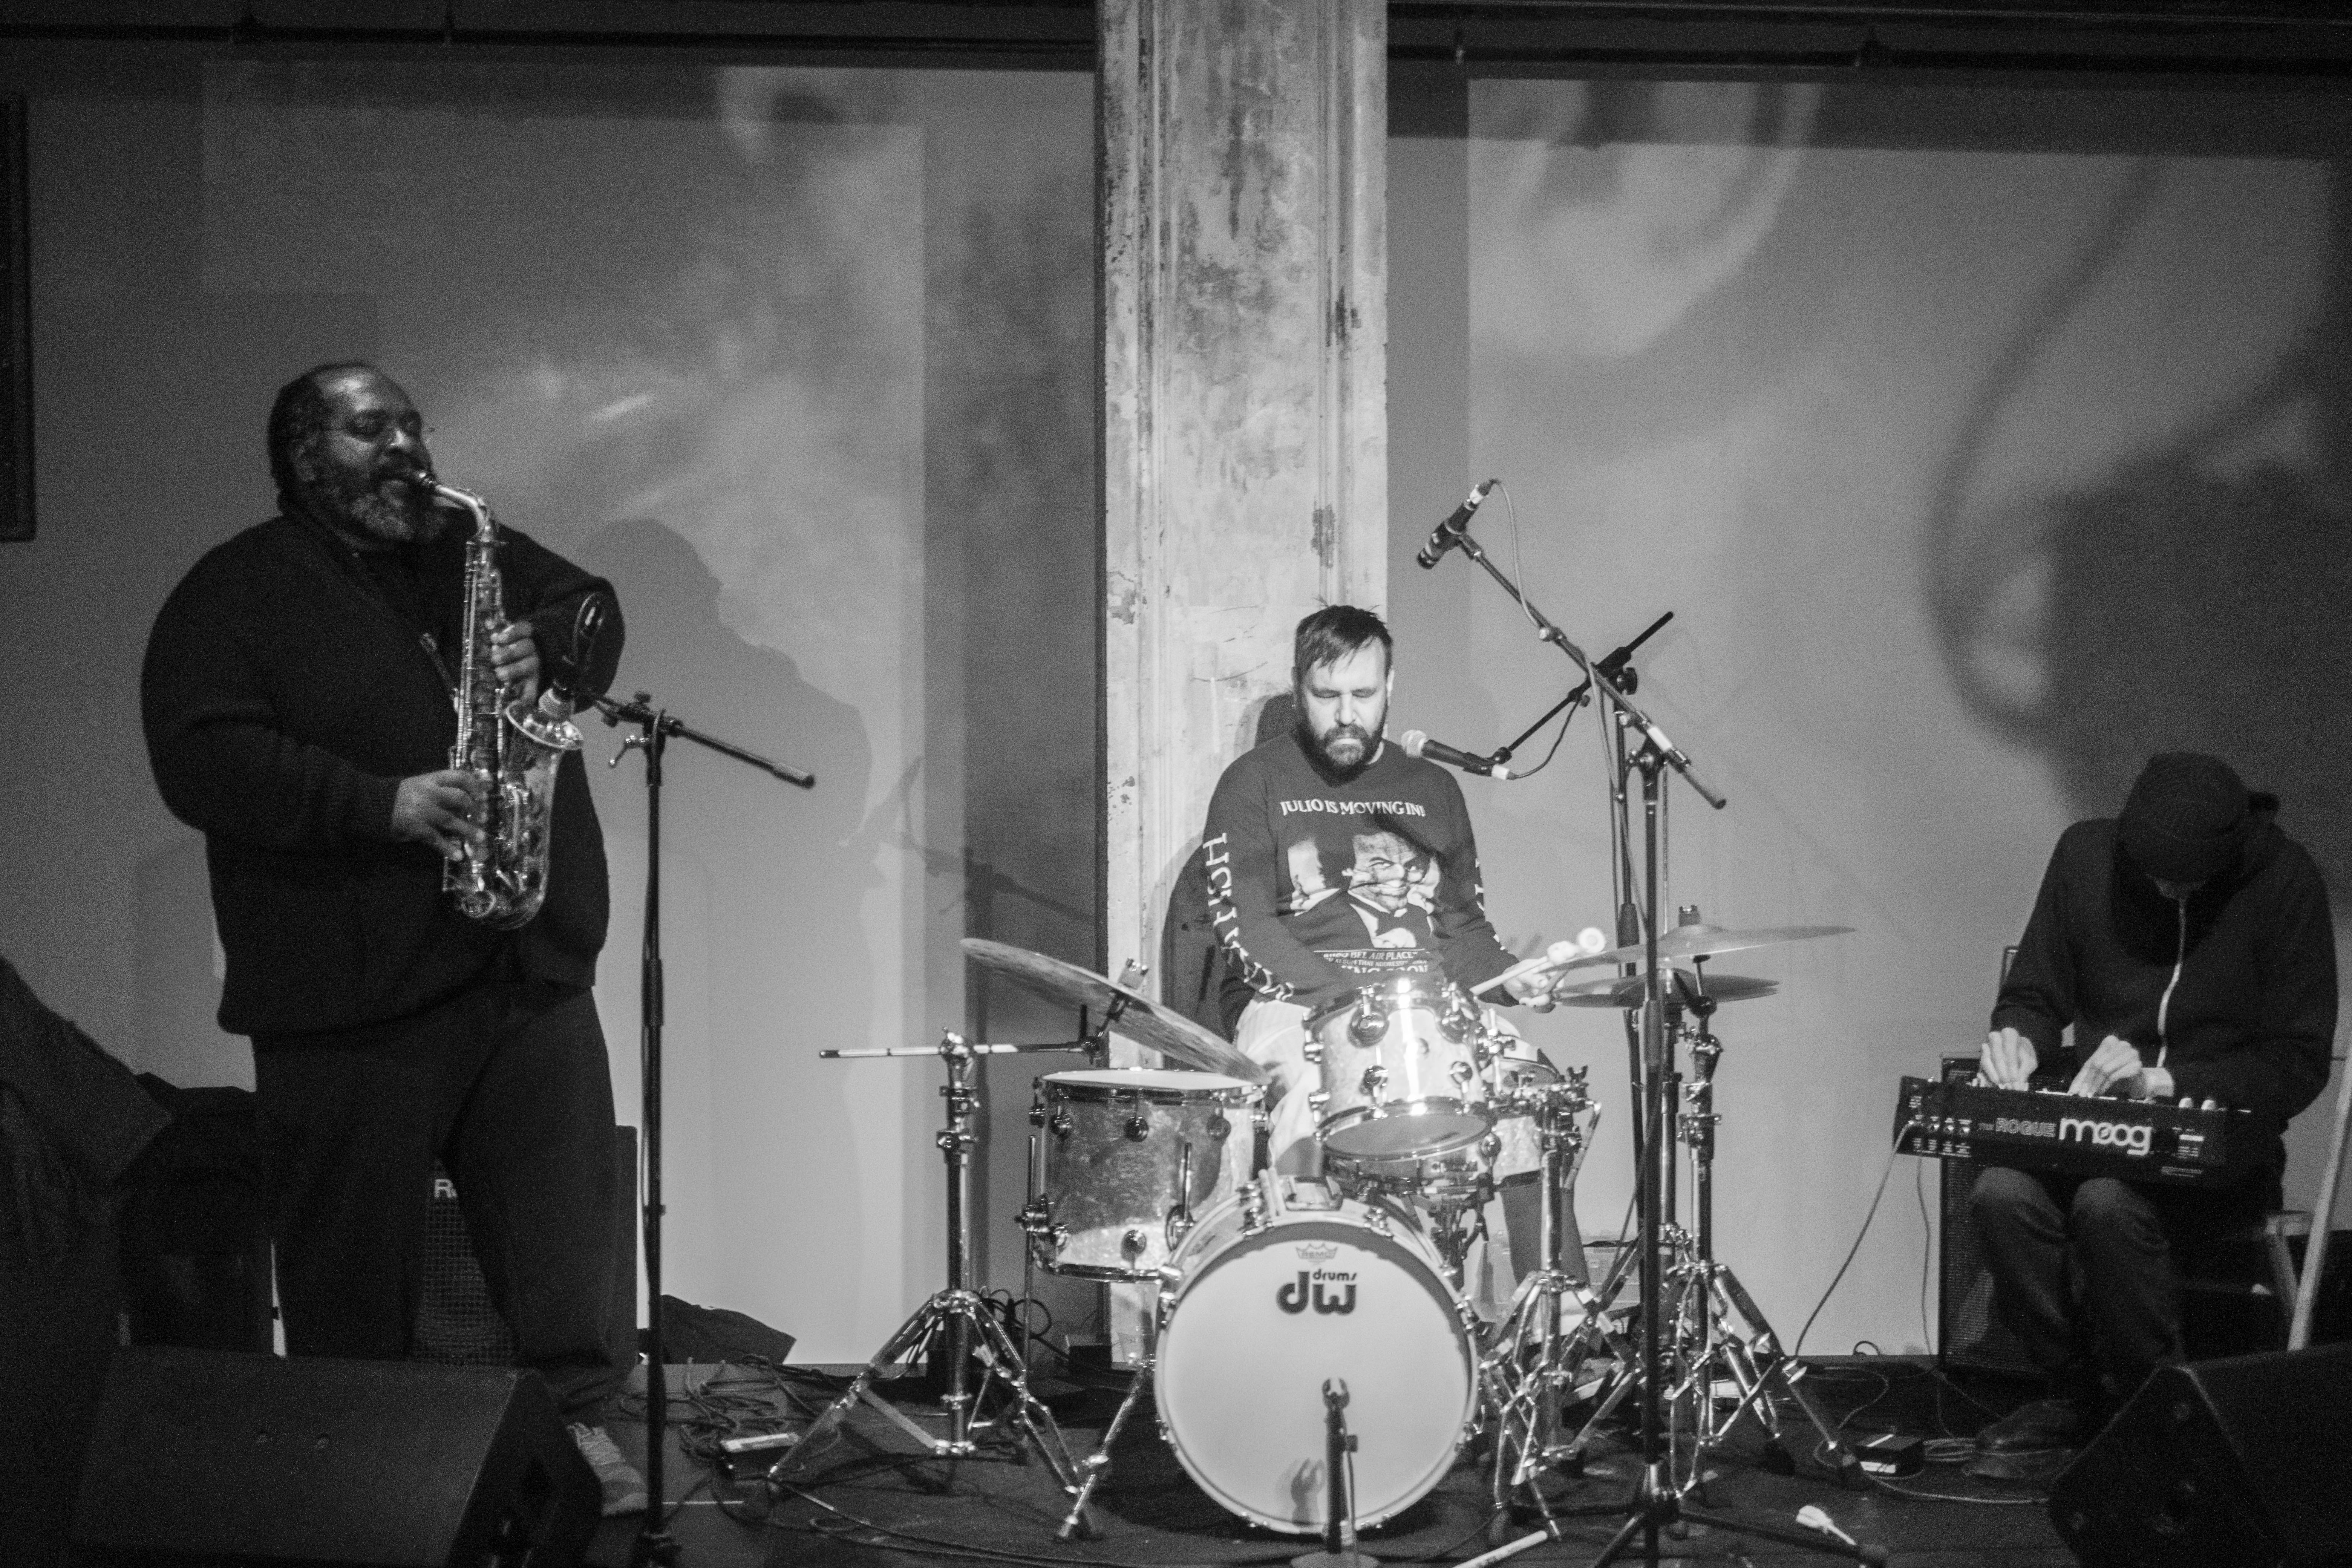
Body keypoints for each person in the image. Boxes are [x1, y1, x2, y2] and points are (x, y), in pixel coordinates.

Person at [140, 362, 645, 1513]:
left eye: (413, 425)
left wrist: (550, 647)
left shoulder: (468, 542)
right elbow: (202, 759)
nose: (407, 449)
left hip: (523, 962)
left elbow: (592, 609)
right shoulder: (232, 593)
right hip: (350, 993)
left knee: (563, 1237)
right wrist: (383, 804)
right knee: (349, 1272)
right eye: (374, 430)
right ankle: (355, 1471)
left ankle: (578, 1428)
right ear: (306, 456)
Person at [1969, 751, 2335, 1453]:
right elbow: (2035, 993)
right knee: (2000, 1195)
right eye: (2153, 875)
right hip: (2092, 1127)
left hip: (2219, 1140)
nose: (2167, 891)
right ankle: (2073, 1393)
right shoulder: (2086, 858)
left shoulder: (2285, 884)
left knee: (2108, 1205)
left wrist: (2171, 1083)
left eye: (2187, 881)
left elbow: (2297, 1064)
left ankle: (2153, 1409)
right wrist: (2017, 1038)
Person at [1201, 605, 1579, 1281]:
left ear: (1390, 688)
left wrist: (1512, 978)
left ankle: (1554, 1321)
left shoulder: (1432, 787)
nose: (1346, 714)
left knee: (1533, 1091)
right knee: (1302, 1099)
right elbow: (1245, 930)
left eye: (1364, 695)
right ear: (1299, 689)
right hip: (1299, 1007)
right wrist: (1353, 1005)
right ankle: (1310, 1294)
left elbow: (1464, 934)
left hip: (1425, 1014)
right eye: (1327, 696)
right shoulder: (1254, 783)